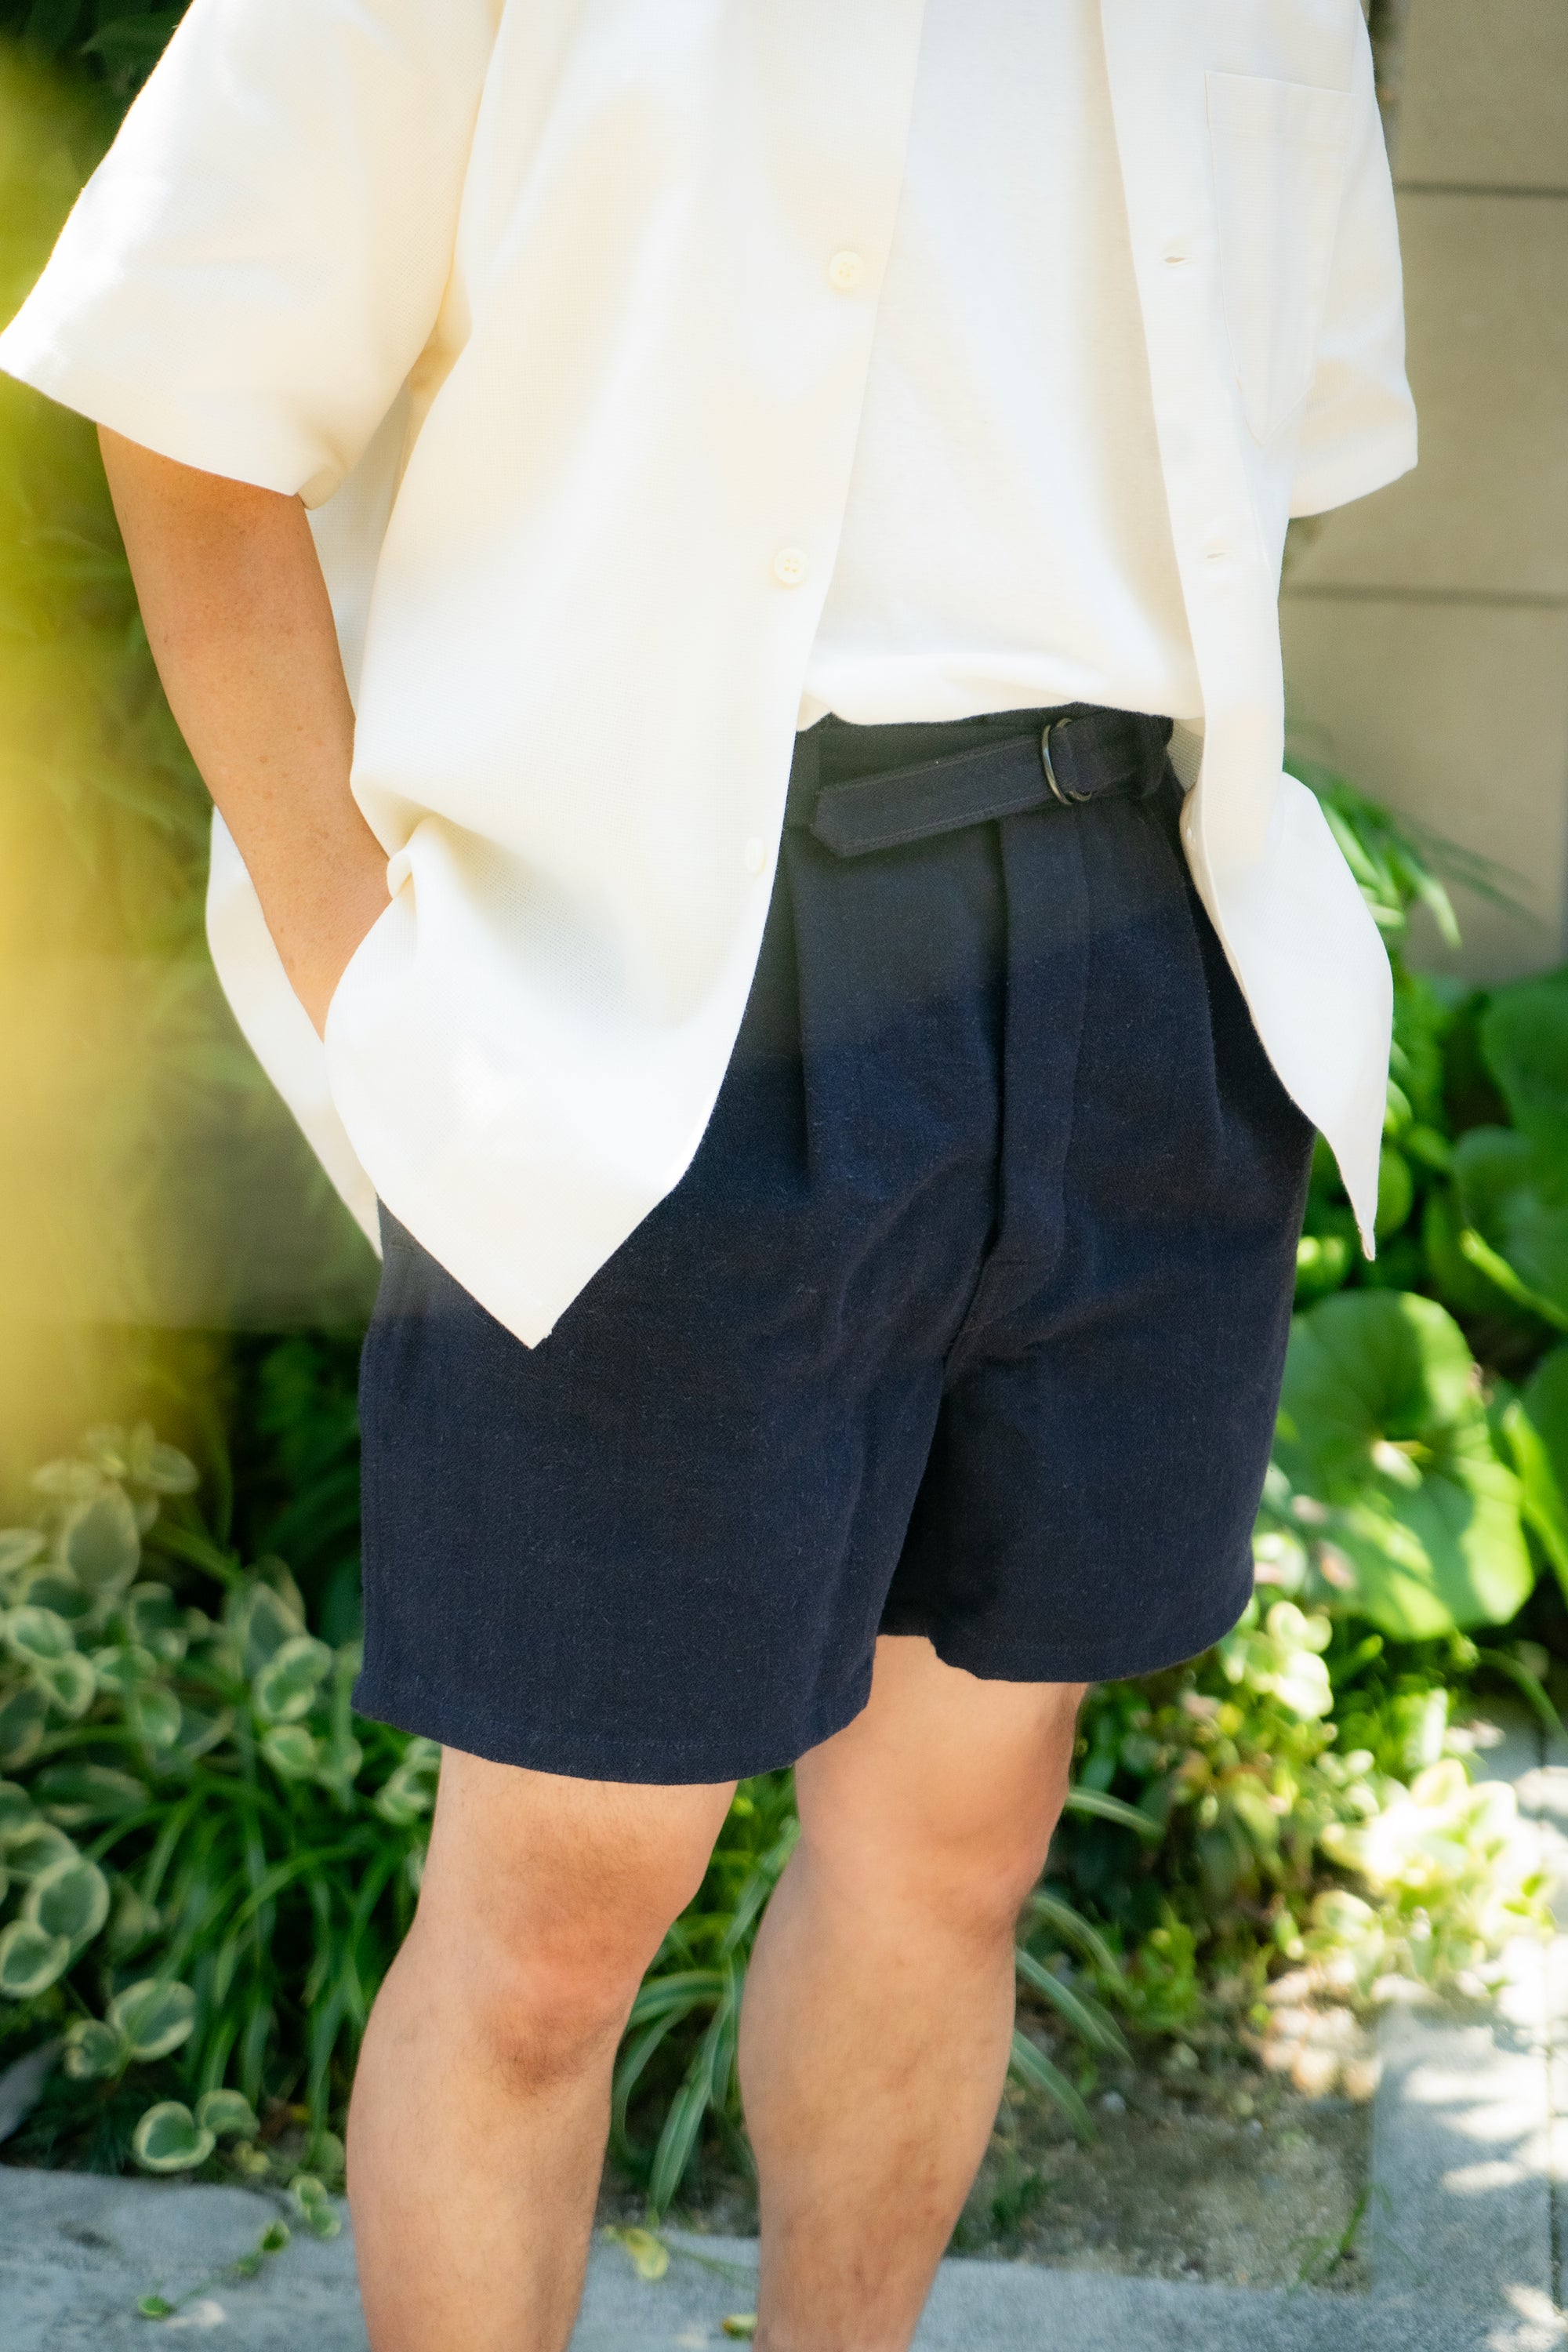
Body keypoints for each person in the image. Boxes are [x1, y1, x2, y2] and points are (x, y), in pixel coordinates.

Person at [0, 2, 1415, 2346]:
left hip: (1131, 920)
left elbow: (1293, 423)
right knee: (560, 1913)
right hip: (654, 956)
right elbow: (185, 378)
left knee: (961, 1852)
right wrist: (374, 990)